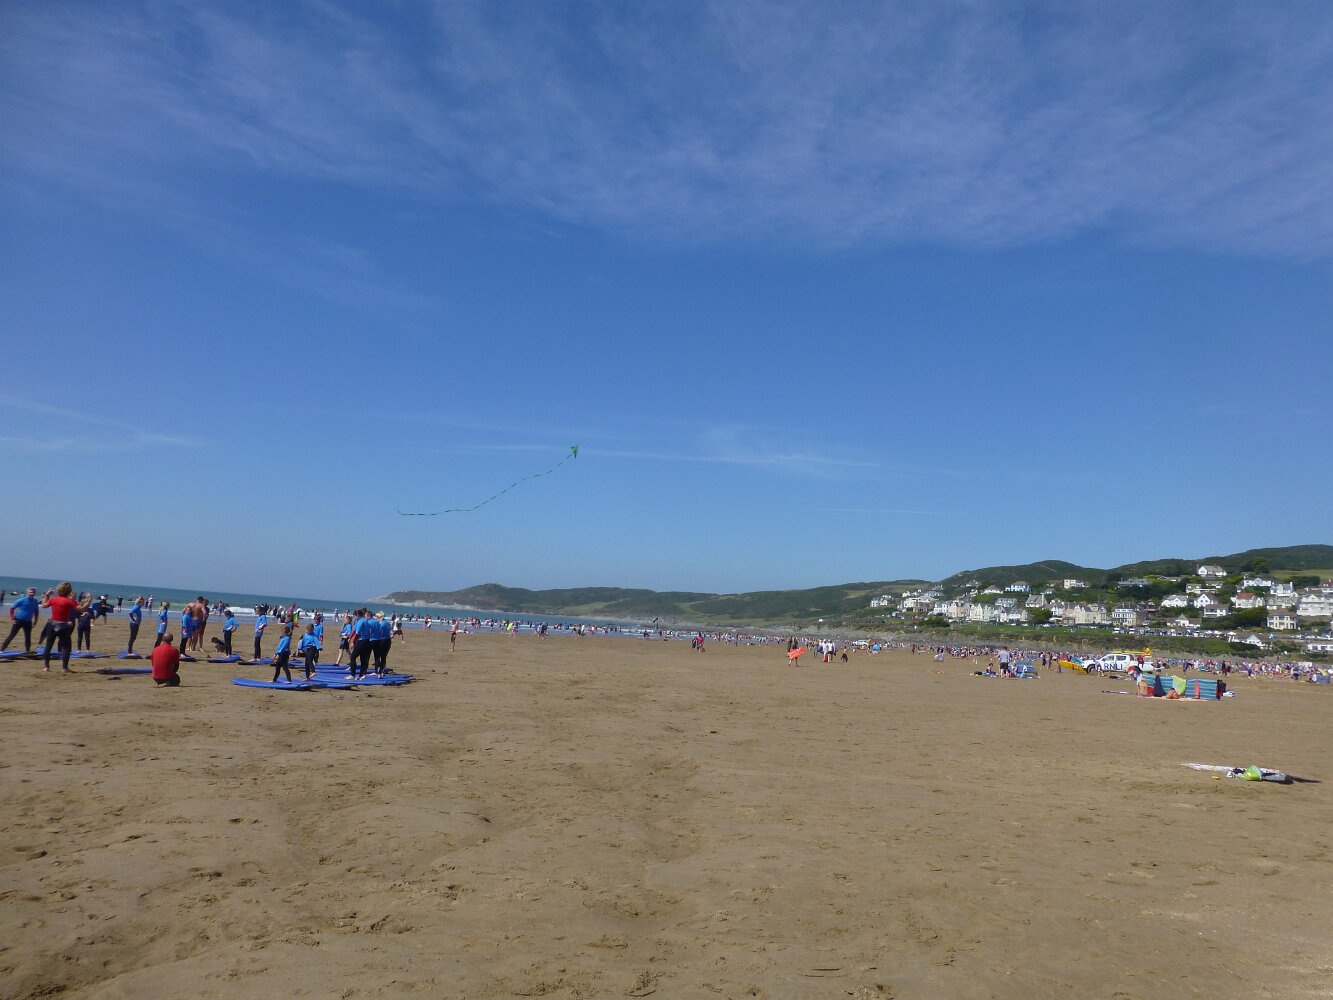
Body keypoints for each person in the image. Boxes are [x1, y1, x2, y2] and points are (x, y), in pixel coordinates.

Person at [40, 583, 91, 673]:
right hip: (62, 626)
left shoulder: (53, 599)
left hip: (52, 624)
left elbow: (43, 605)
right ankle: (64, 668)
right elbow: (83, 609)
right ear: (69, 591)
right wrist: (89, 600)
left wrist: (47, 595)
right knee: (67, 648)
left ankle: (46, 667)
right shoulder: (69, 601)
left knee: (48, 646)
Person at [2, 586, 40, 653]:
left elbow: (36, 612)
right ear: (27, 592)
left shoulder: (35, 601)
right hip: (18, 620)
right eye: (30, 592)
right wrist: (12, 618)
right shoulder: (21, 600)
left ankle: (27, 651)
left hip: (28, 622)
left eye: (33, 592)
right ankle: (2, 650)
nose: (32, 593)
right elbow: (12, 609)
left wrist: (36, 621)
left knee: (28, 637)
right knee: (12, 635)